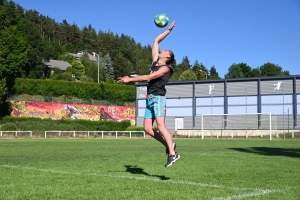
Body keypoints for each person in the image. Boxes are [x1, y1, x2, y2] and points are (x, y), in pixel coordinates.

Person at [118, 21, 180, 167]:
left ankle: (173, 154)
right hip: (150, 98)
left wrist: (131, 79)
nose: (163, 50)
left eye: (166, 51)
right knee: (147, 129)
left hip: (158, 98)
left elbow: (149, 78)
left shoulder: (166, 68)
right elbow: (156, 40)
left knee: (160, 126)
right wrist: (169, 30)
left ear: (167, 57)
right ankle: (169, 145)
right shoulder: (155, 62)